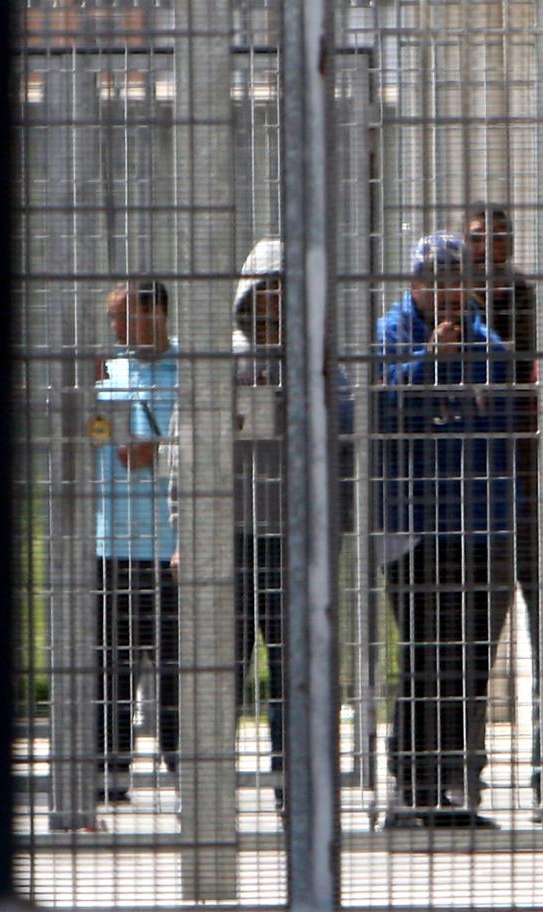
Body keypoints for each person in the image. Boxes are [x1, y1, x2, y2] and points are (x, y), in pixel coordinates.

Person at [167, 238, 355, 815]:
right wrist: (185, 532)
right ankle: (205, 788)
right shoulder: (223, 358)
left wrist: (336, 529)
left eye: (286, 291)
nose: (275, 303)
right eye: (266, 290)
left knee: (298, 669)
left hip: (297, 540)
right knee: (219, 666)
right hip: (229, 537)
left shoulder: (319, 360)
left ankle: (296, 786)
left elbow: (346, 444)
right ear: (248, 295)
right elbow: (185, 449)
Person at [374, 232, 520, 830]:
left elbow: (509, 424)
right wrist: (428, 365)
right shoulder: (390, 335)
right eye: (434, 279)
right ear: (415, 285)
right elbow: (376, 410)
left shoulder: (491, 344)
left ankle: (460, 779)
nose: (447, 290)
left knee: (471, 658)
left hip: (482, 524)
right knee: (425, 654)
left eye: (456, 278)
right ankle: (412, 785)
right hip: (416, 526)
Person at [463, 204, 543, 815]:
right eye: (476, 238)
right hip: (476, 489)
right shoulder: (452, 300)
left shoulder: (523, 297)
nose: (488, 246)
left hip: (531, 478)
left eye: (499, 238)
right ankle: (467, 770)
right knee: (472, 638)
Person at [94, 280, 179, 803]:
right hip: (113, 539)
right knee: (111, 664)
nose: (117, 328)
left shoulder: (193, 371)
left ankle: (183, 766)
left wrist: (161, 452)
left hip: (171, 543)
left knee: (176, 667)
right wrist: (98, 424)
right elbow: (92, 434)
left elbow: (211, 438)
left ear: (159, 312)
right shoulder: (109, 371)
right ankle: (111, 770)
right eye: (113, 318)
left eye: (124, 315)